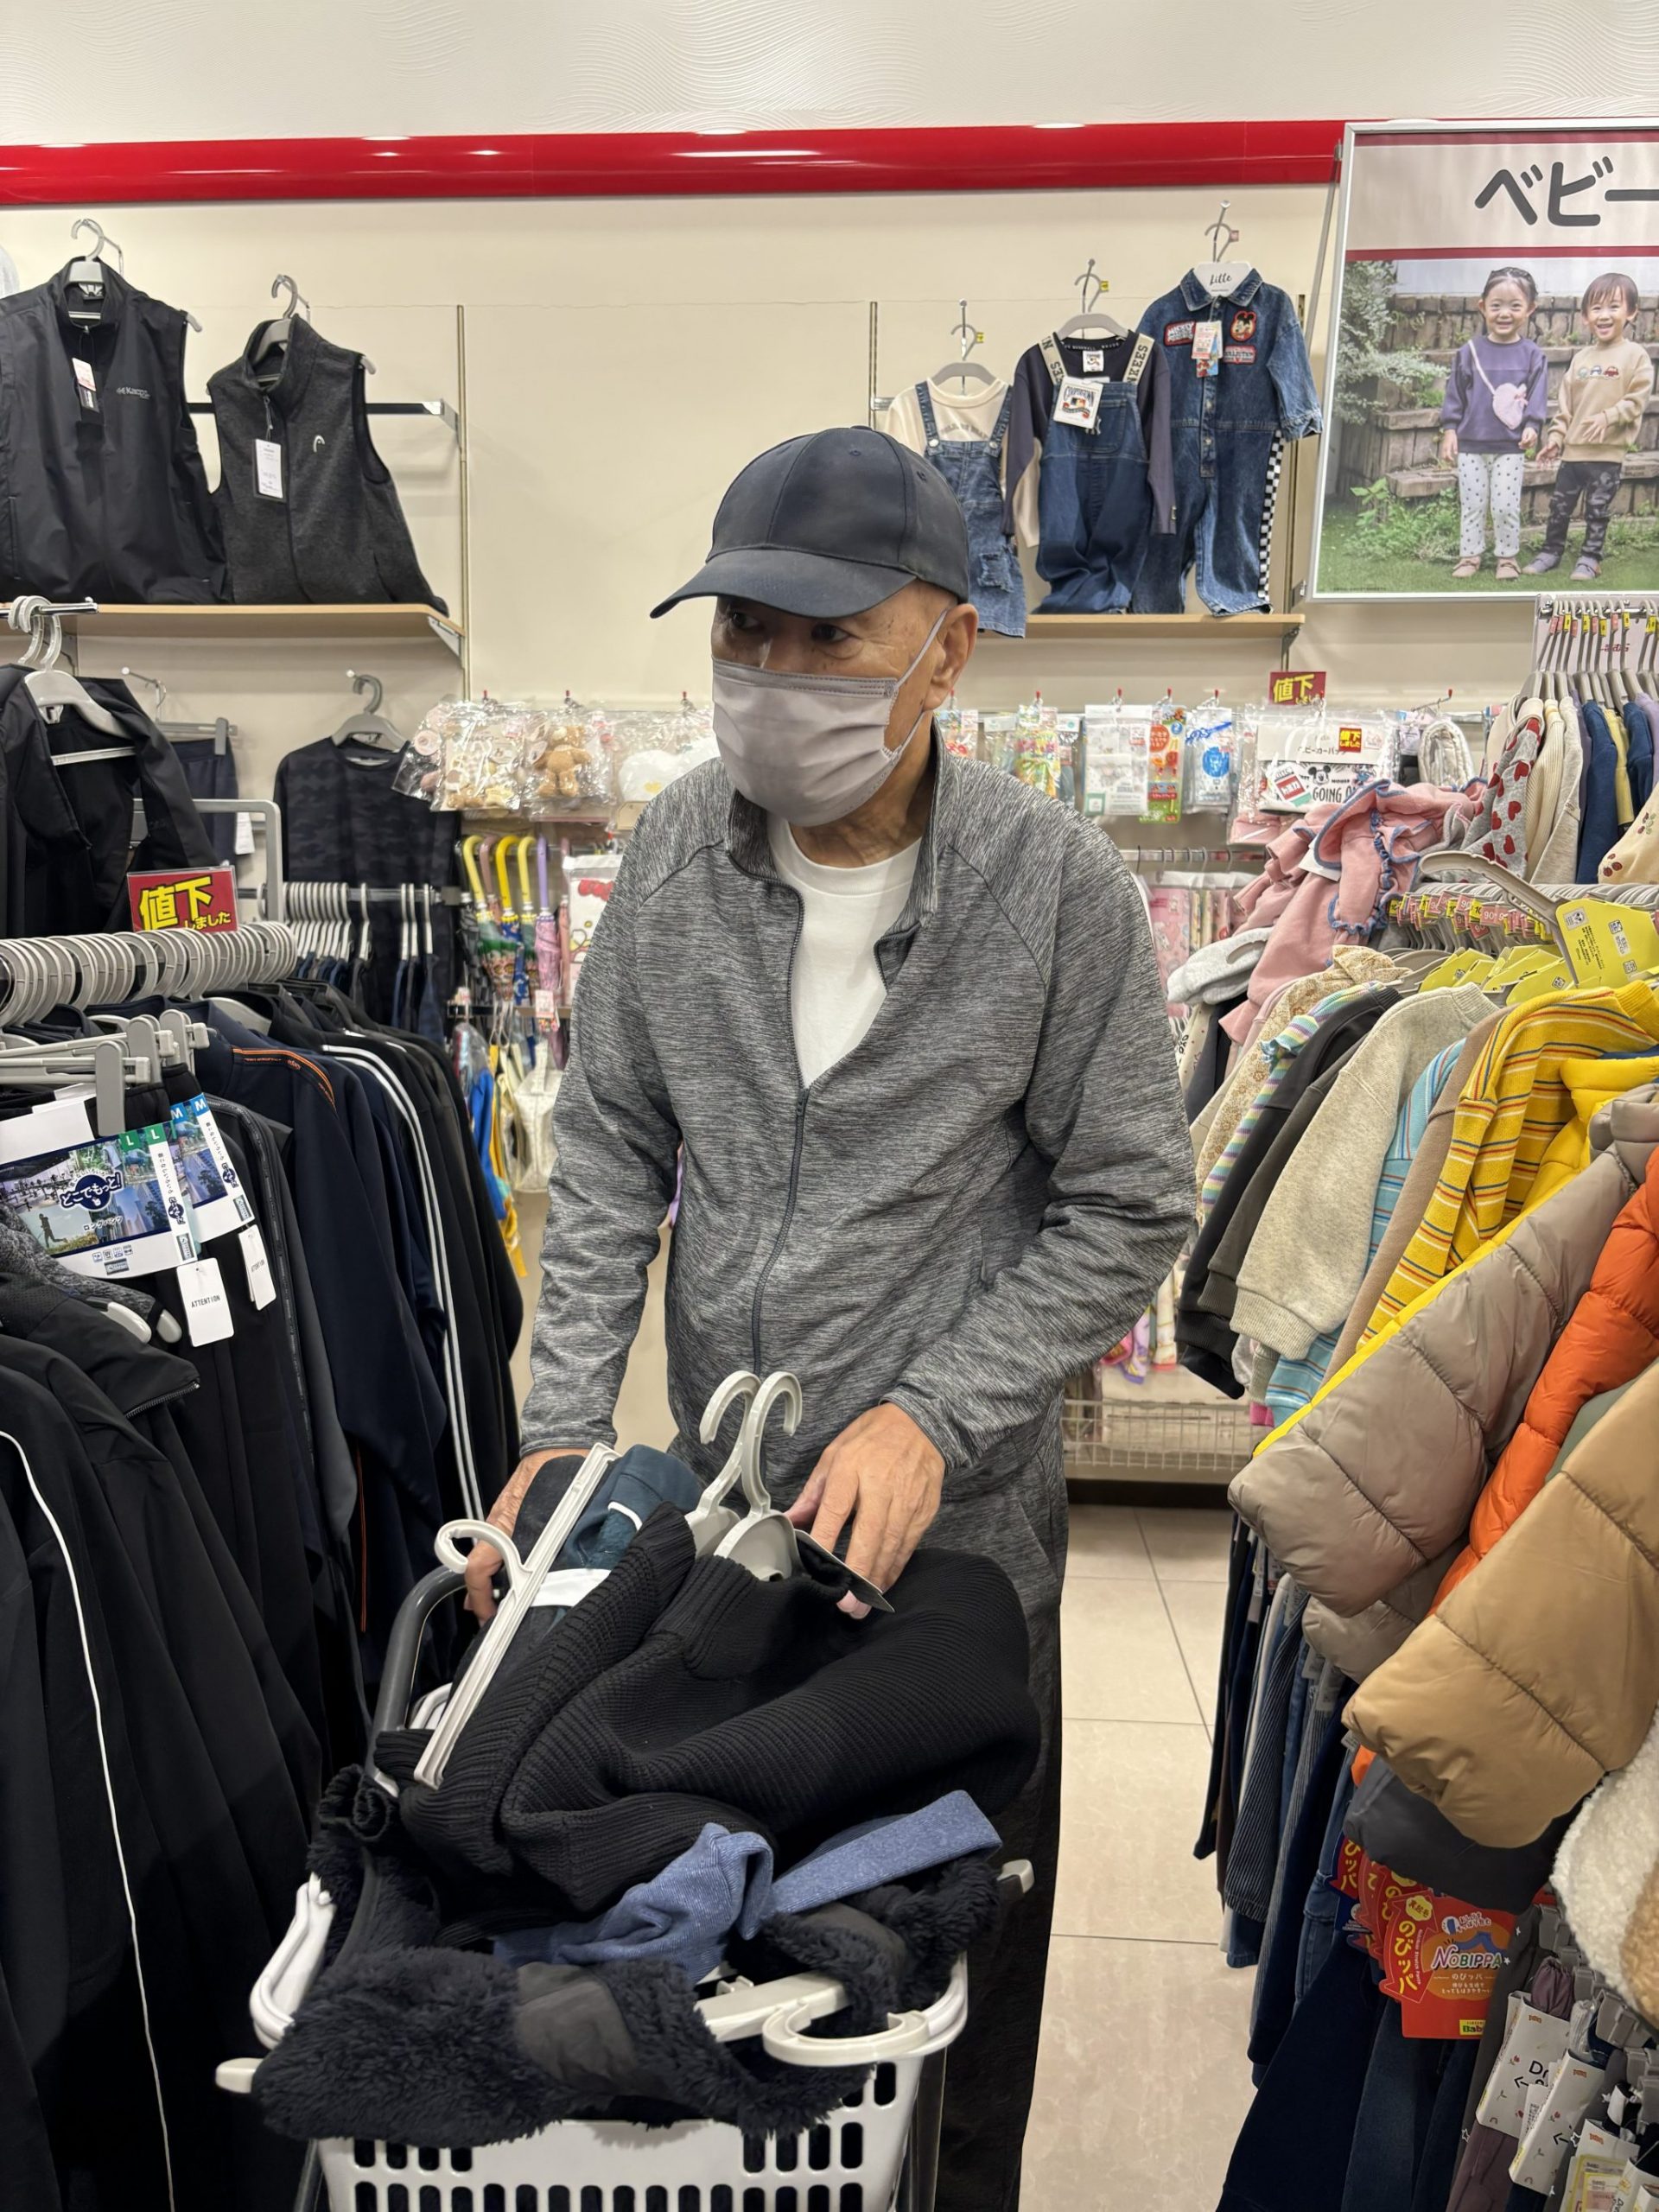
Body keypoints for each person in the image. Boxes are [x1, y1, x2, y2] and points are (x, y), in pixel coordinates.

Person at [467, 427, 1192, 2209]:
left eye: (830, 638)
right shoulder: (671, 861)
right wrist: (564, 1433)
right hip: (726, 1531)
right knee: (738, 1930)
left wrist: (935, 1410)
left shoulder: (1058, 892)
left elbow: (1130, 1200)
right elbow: (613, 1148)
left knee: (950, 1958)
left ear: (947, 651)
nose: (776, 679)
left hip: (959, 1557)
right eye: (745, 635)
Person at [1528, 271, 1656, 580]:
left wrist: (1608, 416)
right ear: (1585, 317)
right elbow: (1566, 407)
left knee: (1597, 510)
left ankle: (1590, 558)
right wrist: (1556, 438)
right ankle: (1550, 552)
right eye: (1596, 308)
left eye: (1614, 306)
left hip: (1607, 455)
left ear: (1631, 312)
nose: (1604, 315)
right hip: (1572, 454)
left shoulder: (1636, 356)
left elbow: (1637, 400)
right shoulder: (1581, 359)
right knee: (1559, 508)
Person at [1439, 265, 1547, 583]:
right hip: (1471, 446)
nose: (1504, 313)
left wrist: (1533, 425)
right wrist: (1449, 430)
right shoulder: (1468, 352)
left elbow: (1538, 394)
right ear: (1482, 306)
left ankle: (1507, 558)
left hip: (1510, 448)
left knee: (1504, 506)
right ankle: (1470, 556)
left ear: (1530, 309)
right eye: (1496, 305)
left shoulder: (1533, 355)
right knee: (1472, 504)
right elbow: (1455, 394)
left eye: (1515, 306)